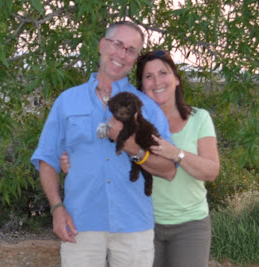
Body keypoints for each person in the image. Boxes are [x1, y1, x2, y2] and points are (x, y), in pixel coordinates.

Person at [30, 21, 176, 267]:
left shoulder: (147, 106)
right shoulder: (67, 101)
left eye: (131, 50)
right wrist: (57, 208)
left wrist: (134, 149)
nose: (122, 54)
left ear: (134, 58)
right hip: (79, 223)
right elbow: (47, 159)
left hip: (133, 226)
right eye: (117, 44)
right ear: (102, 45)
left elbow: (170, 170)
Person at [61, 50, 220, 267]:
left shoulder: (199, 118)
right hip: (142, 224)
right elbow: (95, 148)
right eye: (148, 76)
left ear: (177, 79)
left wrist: (176, 154)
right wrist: (70, 161)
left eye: (163, 73)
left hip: (189, 225)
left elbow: (211, 171)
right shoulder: (127, 121)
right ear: (141, 86)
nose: (156, 82)